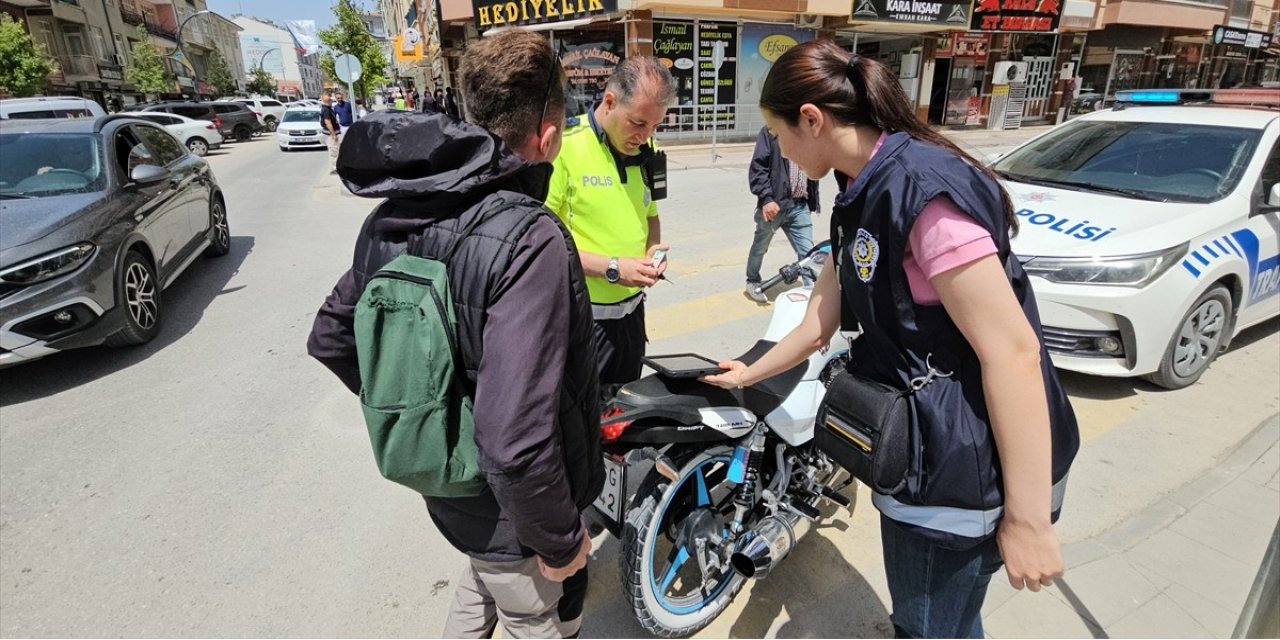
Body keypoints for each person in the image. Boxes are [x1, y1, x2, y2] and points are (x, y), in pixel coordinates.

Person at [702, 41, 1080, 638]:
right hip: (930, 451)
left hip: (964, 472)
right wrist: (748, 372)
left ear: (812, 119)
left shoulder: (920, 196)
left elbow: (1012, 351)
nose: (780, 152)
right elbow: (817, 321)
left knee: (927, 628)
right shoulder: (860, 190)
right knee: (948, 625)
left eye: (778, 135)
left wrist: (1029, 520)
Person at [307, 29, 602, 639]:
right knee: (532, 616)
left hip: (452, 490)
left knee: (481, 583)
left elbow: (334, 335)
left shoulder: (397, 209)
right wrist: (561, 540)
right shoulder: (530, 237)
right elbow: (514, 441)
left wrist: (430, 412)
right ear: (548, 135)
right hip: (511, 510)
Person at [545, 57, 676, 387]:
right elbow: (543, 241)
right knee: (588, 424)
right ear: (609, 101)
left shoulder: (647, 149)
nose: (645, 135)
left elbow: (650, 215)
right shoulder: (566, 146)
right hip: (586, 322)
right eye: (637, 123)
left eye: (654, 126)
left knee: (625, 413)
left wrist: (652, 252)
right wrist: (614, 268)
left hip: (632, 316)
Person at [744, 124, 821, 301]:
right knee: (760, 247)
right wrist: (766, 198)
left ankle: (810, 287)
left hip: (800, 204)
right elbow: (758, 167)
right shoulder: (772, 130)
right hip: (775, 206)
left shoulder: (810, 130)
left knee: (808, 252)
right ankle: (753, 280)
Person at [318, 94, 342, 174]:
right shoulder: (326, 110)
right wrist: (333, 134)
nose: (332, 101)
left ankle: (336, 167)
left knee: (335, 150)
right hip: (330, 134)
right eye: (330, 100)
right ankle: (334, 169)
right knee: (333, 151)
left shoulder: (328, 109)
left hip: (332, 133)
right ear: (327, 101)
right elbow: (328, 123)